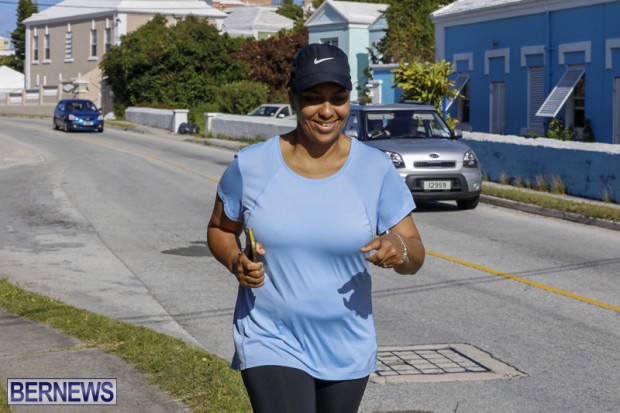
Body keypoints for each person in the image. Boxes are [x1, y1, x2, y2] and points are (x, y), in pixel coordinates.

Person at [207, 43, 425, 413]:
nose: (327, 111)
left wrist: (398, 248)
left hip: (347, 344)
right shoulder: (251, 165)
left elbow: (415, 252)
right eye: (313, 99)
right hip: (270, 338)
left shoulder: (375, 169)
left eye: (338, 99)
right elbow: (220, 229)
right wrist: (235, 261)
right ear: (292, 99)